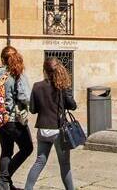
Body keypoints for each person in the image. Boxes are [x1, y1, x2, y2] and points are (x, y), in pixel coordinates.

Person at [24, 58, 77, 190]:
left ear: (44, 71)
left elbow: (33, 110)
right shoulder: (62, 87)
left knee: (39, 161)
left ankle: (28, 188)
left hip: (43, 130)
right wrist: (68, 93)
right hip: (59, 131)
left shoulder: (37, 86)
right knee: (64, 164)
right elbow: (72, 106)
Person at [0, 46, 33, 190]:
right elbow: (25, 97)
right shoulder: (17, 74)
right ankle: (3, 179)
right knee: (27, 148)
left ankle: (6, 185)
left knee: (6, 150)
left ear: (2, 59)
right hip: (12, 119)